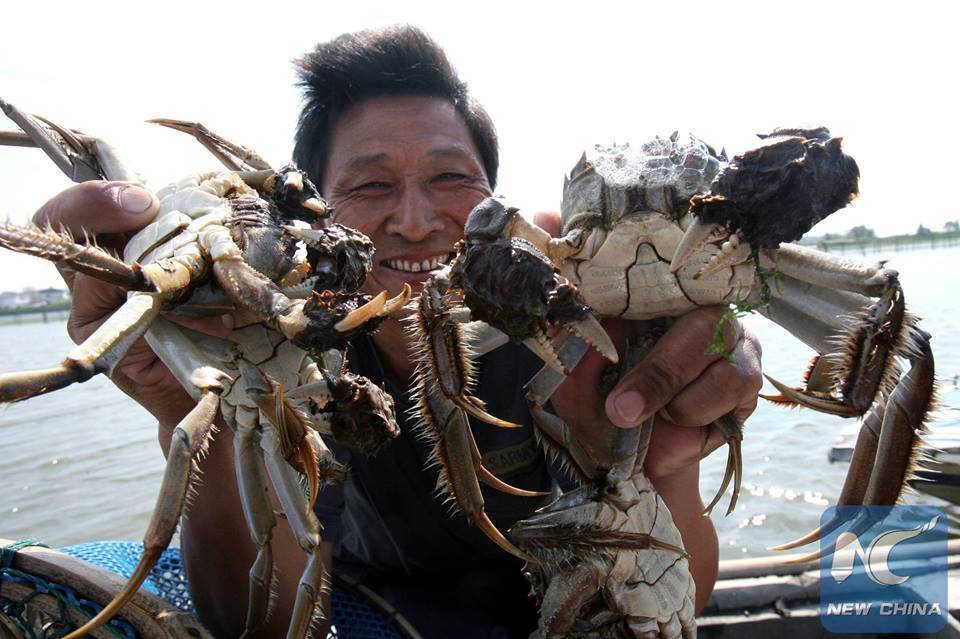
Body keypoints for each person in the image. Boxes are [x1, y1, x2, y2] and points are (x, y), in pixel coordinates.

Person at [32, 25, 761, 638]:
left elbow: (676, 597)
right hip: (377, 609)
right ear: (312, 212)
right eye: (372, 185)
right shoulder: (283, 347)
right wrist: (201, 419)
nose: (415, 221)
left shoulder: (576, 328)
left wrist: (669, 456)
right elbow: (256, 623)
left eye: (452, 180)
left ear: (496, 202)